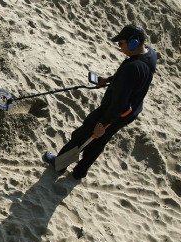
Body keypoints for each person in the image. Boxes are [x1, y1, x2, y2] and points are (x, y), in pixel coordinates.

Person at [43, 23, 158, 180]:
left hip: (116, 111)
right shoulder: (151, 55)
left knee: (84, 135)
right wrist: (110, 79)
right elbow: (133, 81)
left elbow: (118, 104)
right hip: (131, 112)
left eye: (121, 43)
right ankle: (79, 172)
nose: (119, 47)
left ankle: (59, 165)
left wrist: (102, 124)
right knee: (100, 141)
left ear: (133, 43)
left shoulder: (132, 68)